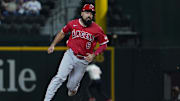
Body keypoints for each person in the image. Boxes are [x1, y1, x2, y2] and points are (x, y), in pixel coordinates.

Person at [43, 3, 109, 101]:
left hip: (83, 60)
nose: (89, 15)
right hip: (70, 54)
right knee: (59, 77)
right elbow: (62, 33)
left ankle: (74, 87)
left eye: (91, 13)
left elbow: (104, 44)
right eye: (87, 12)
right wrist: (53, 44)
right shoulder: (73, 23)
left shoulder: (97, 29)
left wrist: (94, 54)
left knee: (71, 88)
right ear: (82, 13)